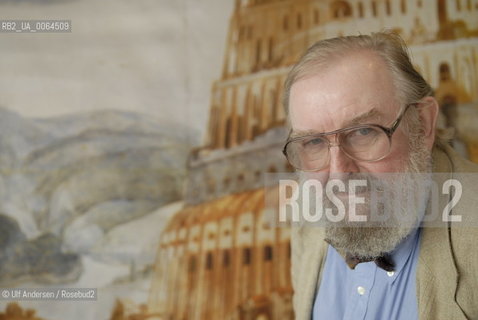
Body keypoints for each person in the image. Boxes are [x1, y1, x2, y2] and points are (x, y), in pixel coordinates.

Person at [282, 32, 478, 320]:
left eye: (363, 132)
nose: (338, 175)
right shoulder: (308, 212)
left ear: (422, 124)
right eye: (313, 142)